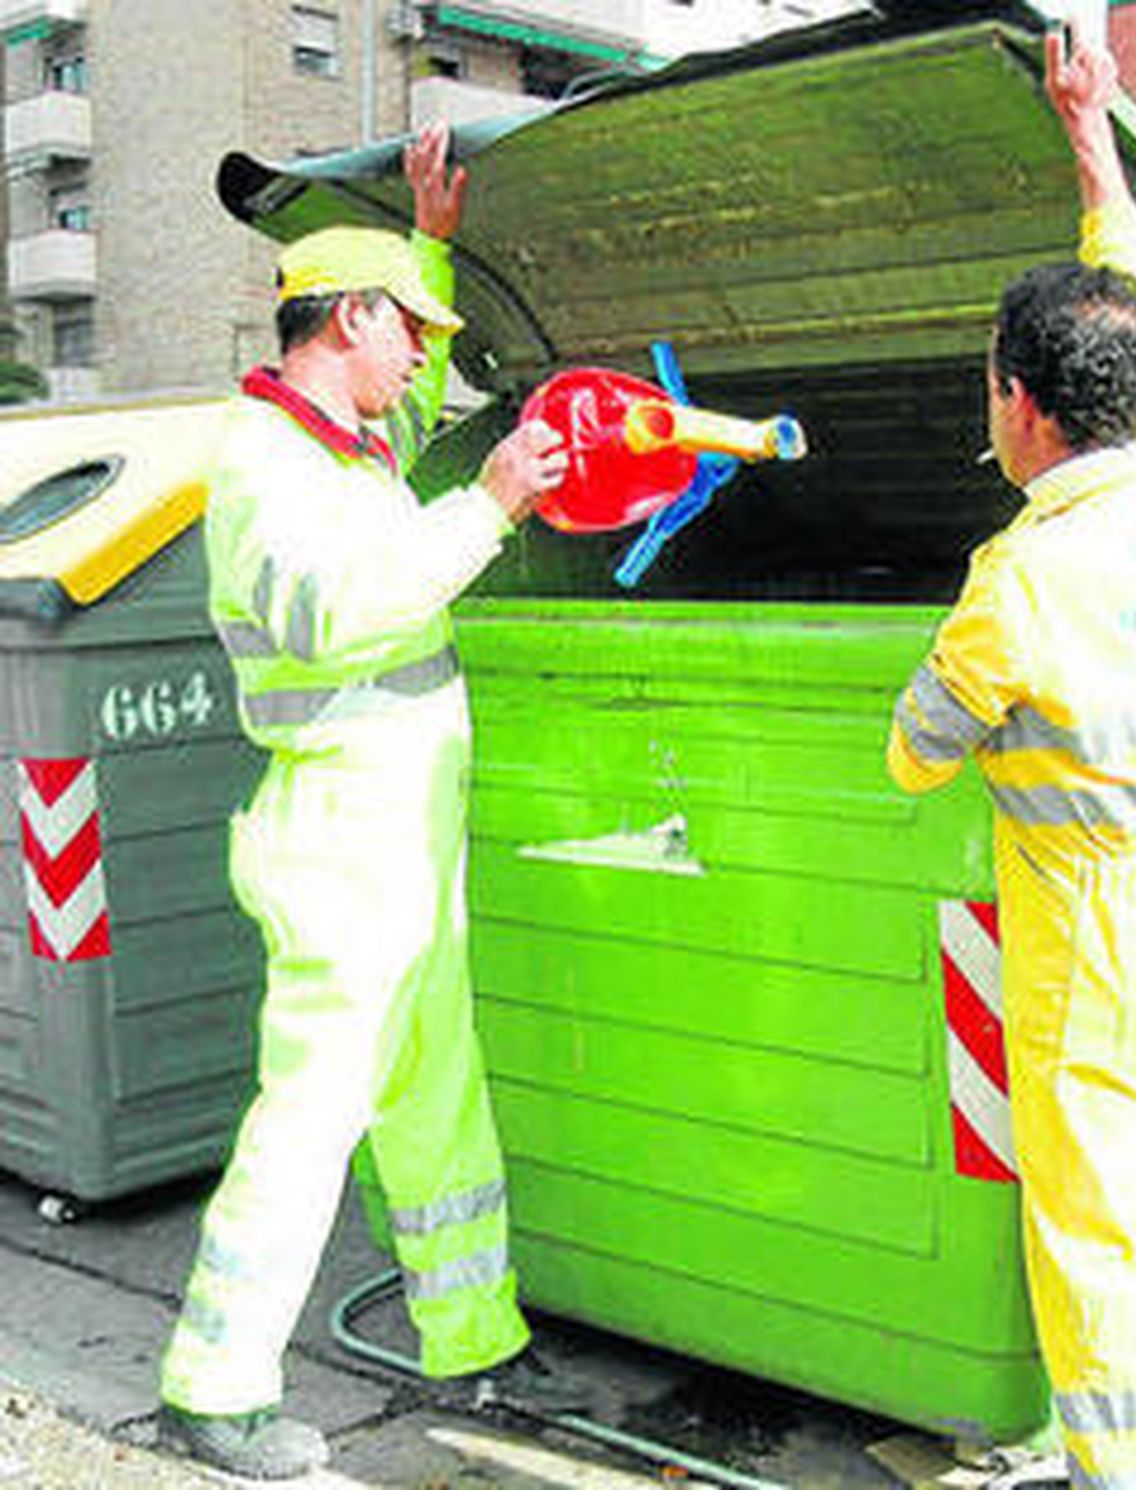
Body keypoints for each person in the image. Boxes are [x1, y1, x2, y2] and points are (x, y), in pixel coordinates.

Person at [157, 124, 585, 1481]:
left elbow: (413, 409)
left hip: (397, 837)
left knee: (433, 1099)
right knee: (312, 1113)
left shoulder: (340, 444)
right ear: (348, 320)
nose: (423, 359)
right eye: (408, 330)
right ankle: (213, 1383)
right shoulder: (264, 468)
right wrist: (494, 507)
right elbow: (339, 611)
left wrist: (432, 236)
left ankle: (474, 1339)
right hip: (338, 841)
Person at [885, 33, 1136, 1490]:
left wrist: (951, 700)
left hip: (1077, 935)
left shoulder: (1012, 585)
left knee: (1090, 1228)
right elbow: (1130, 288)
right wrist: (1087, 129)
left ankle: (1127, 1475)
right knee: (1130, 1192)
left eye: (988, 386)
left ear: (1022, 404)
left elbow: (914, 752)